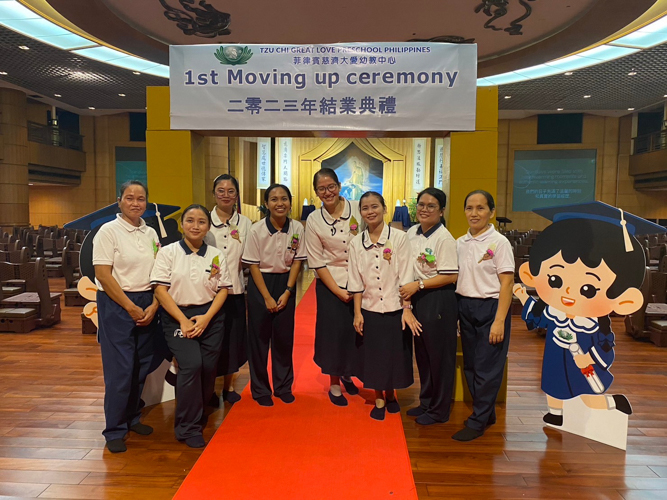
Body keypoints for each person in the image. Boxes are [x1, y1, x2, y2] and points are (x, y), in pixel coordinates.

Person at [513, 204, 653, 425]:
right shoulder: (554, 311)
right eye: (555, 280)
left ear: (625, 301)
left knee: (588, 398)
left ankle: (614, 402)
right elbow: (536, 317)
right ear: (531, 274)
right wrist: (523, 296)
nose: (568, 292)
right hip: (555, 360)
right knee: (553, 388)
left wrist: (588, 358)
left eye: (588, 288)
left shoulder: (594, 325)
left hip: (583, 364)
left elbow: (605, 348)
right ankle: (556, 415)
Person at [151, 204, 232, 448]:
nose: (195, 226)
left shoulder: (216, 255)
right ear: (183, 224)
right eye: (190, 220)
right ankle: (187, 426)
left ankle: (198, 411)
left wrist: (206, 317)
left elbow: (223, 289)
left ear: (208, 227)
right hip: (178, 316)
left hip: (210, 316)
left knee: (208, 367)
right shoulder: (168, 253)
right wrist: (183, 320)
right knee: (191, 365)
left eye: (201, 222)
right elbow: (160, 290)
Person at [93, 180, 160, 453]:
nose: (136, 203)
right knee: (120, 370)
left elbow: (159, 272)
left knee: (141, 367)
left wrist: (154, 305)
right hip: (117, 302)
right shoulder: (107, 231)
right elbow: (103, 275)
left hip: (147, 301)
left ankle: (132, 417)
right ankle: (114, 429)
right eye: (130, 198)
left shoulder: (151, 232)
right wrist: (130, 307)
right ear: (119, 200)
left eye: (141, 198)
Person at [348, 191, 417, 420]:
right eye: (365, 208)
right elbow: (356, 280)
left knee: (394, 354)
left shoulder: (399, 238)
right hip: (370, 308)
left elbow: (406, 274)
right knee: (374, 355)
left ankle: (390, 394)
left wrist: (407, 308)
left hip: (396, 306)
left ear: (384, 208)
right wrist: (357, 313)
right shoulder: (356, 243)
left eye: (375, 206)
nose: (370, 211)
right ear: (361, 213)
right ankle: (379, 397)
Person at [453, 190, 514, 442]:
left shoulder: (499, 243)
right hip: (465, 307)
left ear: (491, 212)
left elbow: (507, 283)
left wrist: (499, 320)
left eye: (480, 208)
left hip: (491, 308)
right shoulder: (460, 242)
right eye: (469, 208)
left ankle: (478, 420)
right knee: (471, 365)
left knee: (488, 367)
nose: (474, 213)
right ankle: (486, 413)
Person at [242, 184, 306, 406]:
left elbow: (298, 260)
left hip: (285, 283)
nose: (280, 203)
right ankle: (260, 389)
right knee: (259, 340)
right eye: (274, 199)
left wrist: (288, 291)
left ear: (290, 201)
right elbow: (253, 266)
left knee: (283, 338)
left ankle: (282, 386)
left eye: (284, 199)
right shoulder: (256, 230)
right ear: (267, 204)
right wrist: (267, 297)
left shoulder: (297, 227)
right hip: (261, 284)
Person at [399, 188, 459, 425]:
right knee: (423, 354)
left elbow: (449, 276)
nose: (424, 209)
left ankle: (439, 410)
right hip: (418, 297)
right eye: (421, 205)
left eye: (431, 206)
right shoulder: (412, 232)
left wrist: (418, 285)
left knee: (439, 357)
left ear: (441, 211)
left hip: (439, 299)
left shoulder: (444, 238)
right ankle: (426, 401)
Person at [305, 168, 361, 406]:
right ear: (316, 192)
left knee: (355, 332)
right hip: (330, 284)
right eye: (321, 188)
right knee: (333, 335)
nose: (327, 192)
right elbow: (317, 261)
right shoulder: (314, 219)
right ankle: (335, 383)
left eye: (331, 187)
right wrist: (337, 290)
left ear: (339, 186)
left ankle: (349, 373)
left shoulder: (358, 208)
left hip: (360, 280)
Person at [206, 174, 252, 405]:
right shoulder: (204, 221)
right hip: (209, 294)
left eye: (230, 191)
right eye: (221, 190)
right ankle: (210, 390)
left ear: (237, 195)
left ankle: (229, 386)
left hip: (234, 291)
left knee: (233, 342)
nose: (226, 195)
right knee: (213, 342)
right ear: (214, 193)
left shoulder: (245, 223)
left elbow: (249, 258)